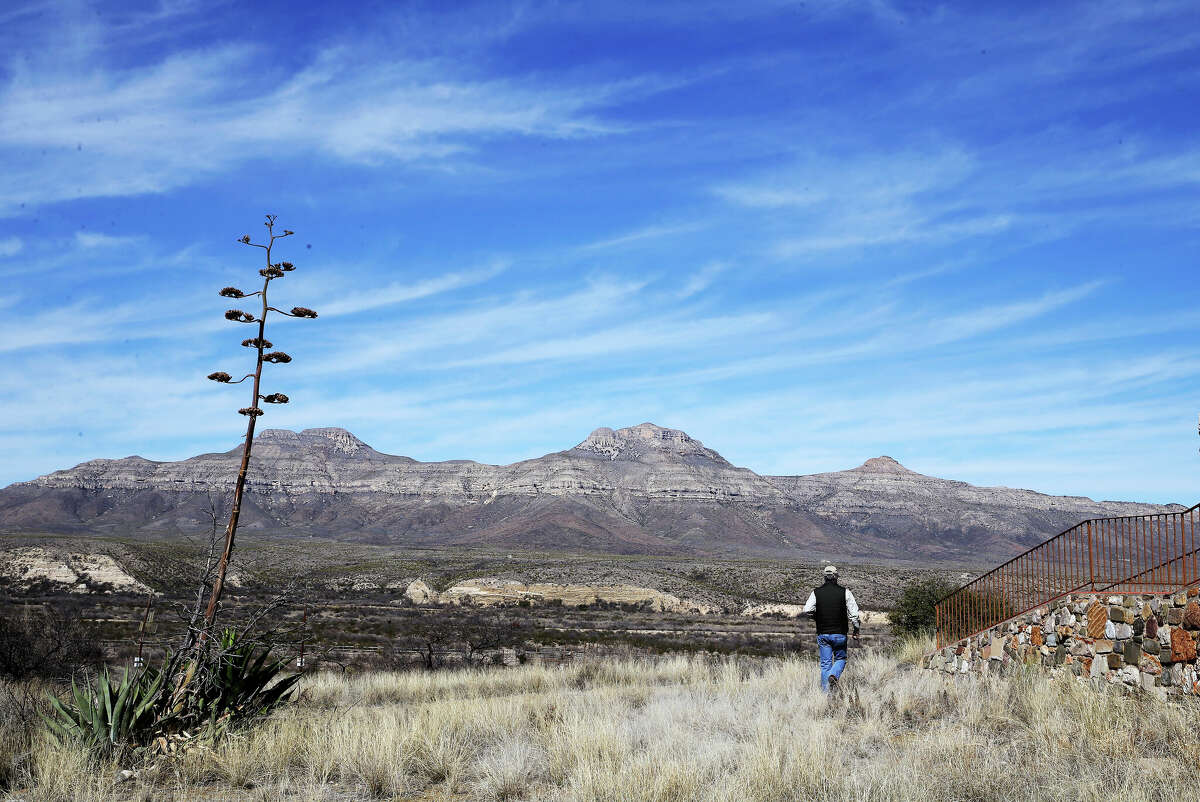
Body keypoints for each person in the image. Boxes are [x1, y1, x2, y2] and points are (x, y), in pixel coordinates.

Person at [802, 565, 860, 692]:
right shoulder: (845, 592)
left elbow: (807, 610)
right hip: (840, 633)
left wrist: (816, 617)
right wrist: (856, 630)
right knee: (841, 659)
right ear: (836, 577)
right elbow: (854, 615)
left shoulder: (816, 592)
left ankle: (826, 694)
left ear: (824, 577)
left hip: (823, 633)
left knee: (825, 665)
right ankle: (834, 675)